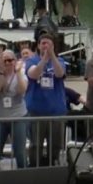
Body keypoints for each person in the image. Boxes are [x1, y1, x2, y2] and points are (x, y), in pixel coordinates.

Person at [25, 34, 68, 167]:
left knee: (55, 144)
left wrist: (52, 56)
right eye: (43, 43)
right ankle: (34, 169)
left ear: (53, 46)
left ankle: (52, 167)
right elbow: (33, 74)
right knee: (36, 145)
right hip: (36, 111)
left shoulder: (60, 60)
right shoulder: (31, 61)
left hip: (56, 111)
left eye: (49, 43)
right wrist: (44, 59)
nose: (46, 46)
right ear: (38, 45)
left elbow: (59, 74)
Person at [0, 50, 28, 171]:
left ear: (15, 61)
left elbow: (22, 90)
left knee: (20, 153)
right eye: (5, 60)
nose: (8, 63)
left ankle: (25, 179)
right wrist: (0, 71)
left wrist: (18, 72)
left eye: (10, 60)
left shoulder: (21, 75)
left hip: (18, 116)